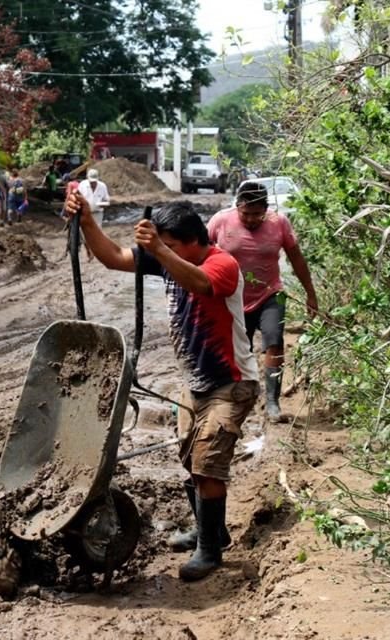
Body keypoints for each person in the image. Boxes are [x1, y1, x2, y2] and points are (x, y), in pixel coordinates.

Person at [64, 193, 260, 582]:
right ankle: (212, 531)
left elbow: (201, 284)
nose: (165, 254)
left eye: (172, 246)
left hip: (231, 384)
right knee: (192, 462)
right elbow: (114, 258)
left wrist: (159, 250)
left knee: (208, 467)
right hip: (195, 383)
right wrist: (86, 220)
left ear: (194, 240)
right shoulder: (172, 259)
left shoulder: (222, 263)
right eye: (163, 247)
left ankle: (209, 550)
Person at [207, 181, 319, 422]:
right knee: (238, 350)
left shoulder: (279, 223)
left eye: (257, 214)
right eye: (245, 214)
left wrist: (310, 292)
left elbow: (297, 259)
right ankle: (237, 397)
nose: (250, 220)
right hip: (232, 298)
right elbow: (201, 255)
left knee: (275, 344)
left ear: (265, 210)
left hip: (270, 295)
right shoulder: (220, 221)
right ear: (237, 206)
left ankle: (272, 402)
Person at [77, 169, 111, 259]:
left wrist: (104, 204)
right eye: (91, 182)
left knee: (97, 232)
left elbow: (106, 199)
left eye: (94, 182)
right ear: (87, 179)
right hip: (84, 212)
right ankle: (88, 250)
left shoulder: (102, 186)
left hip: (97, 213)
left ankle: (96, 251)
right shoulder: (82, 185)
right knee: (84, 233)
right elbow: (78, 198)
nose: (93, 184)